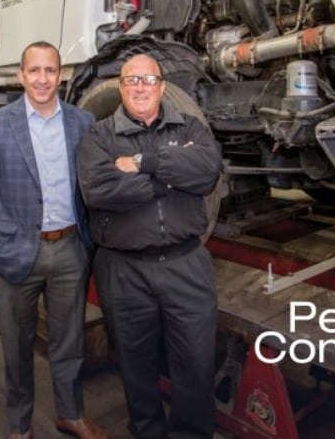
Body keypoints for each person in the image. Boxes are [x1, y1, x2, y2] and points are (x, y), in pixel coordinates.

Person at [0, 41, 106, 439]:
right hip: (12, 253)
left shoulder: (82, 123)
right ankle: (19, 425)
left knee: (69, 343)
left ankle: (71, 414)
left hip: (69, 250)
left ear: (60, 75)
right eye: (35, 71)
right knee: (16, 347)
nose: (43, 79)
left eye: (50, 71)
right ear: (21, 76)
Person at [77, 54, 222, 438]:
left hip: (186, 264)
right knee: (134, 365)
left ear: (161, 85)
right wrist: (169, 180)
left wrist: (143, 162)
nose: (140, 87)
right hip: (124, 270)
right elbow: (99, 191)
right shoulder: (99, 136)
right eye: (131, 80)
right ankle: (148, 432)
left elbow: (207, 172)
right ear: (120, 88)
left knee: (195, 364)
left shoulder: (189, 125)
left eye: (148, 79)